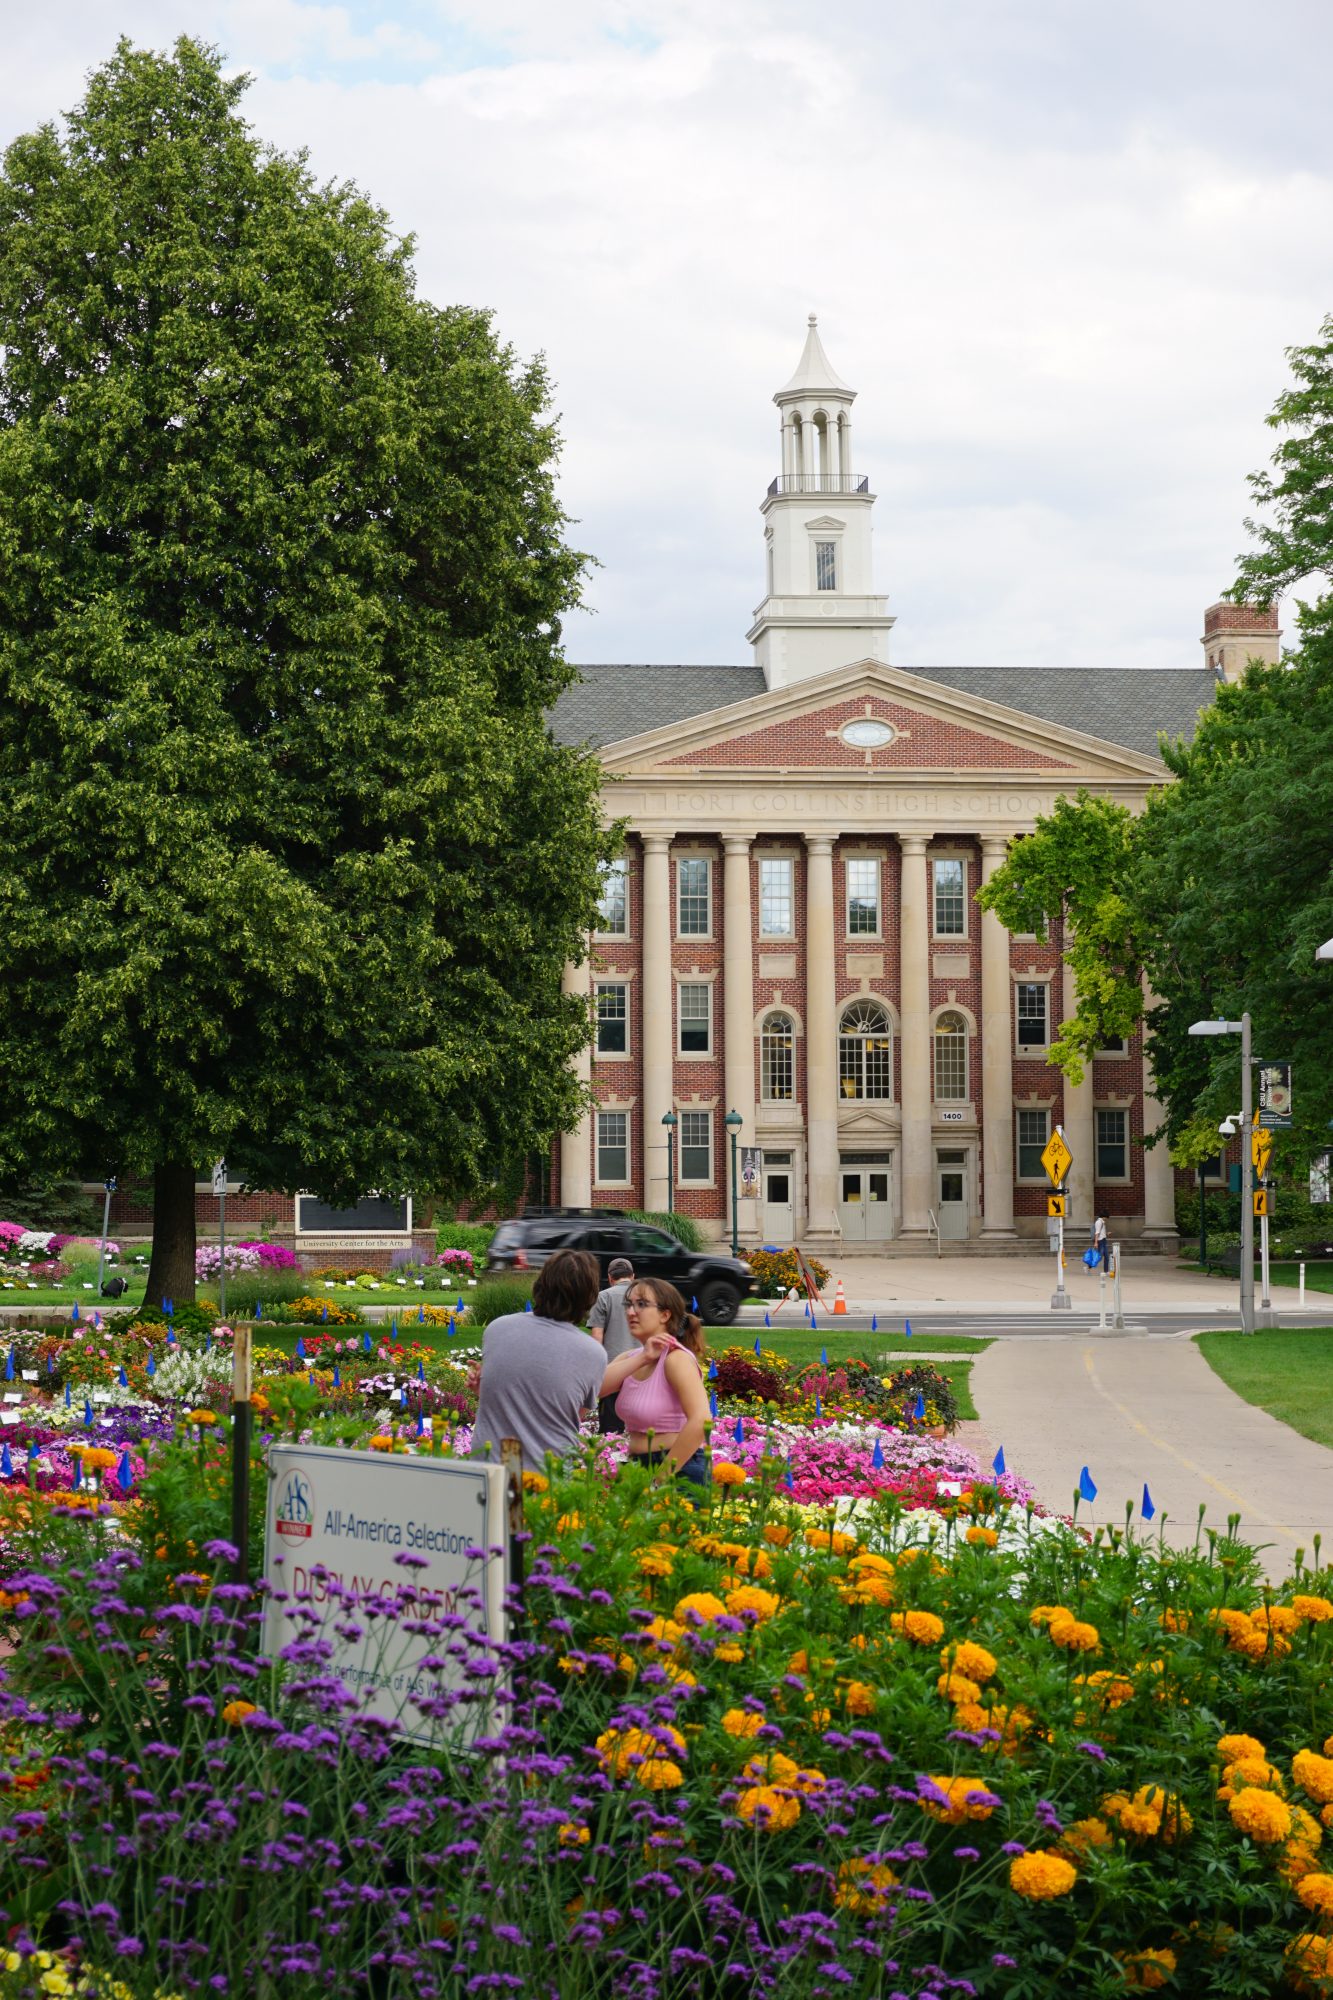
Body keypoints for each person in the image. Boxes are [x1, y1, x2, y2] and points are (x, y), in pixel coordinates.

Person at [471, 1248, 609, 1473]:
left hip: (492, 1467)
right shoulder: (592, 1353)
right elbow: (570, 1414)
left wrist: (486, 1391)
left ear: (540, 1284)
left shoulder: (498, 1328)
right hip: (547, 1473)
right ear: (589, 1296)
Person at [614, 1277, 711, 1486]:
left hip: (678, 1470)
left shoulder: (676, 1359)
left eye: (641, 1304)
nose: (631, 1312)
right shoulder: (631, 1359)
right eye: (628, 1304)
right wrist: (643, 1357)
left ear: (665, 1315)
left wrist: (660, 1479)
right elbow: (591, 1388)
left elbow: (701, 1420)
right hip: (636, 1469)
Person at [588, 1256, 635, 1434]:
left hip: (611, 1370)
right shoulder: (646, 1296)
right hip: (641, 1368)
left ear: (609, 1277)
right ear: (632, 1276)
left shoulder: (603, 1297)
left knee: (611, 1432)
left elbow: (597, 1336)